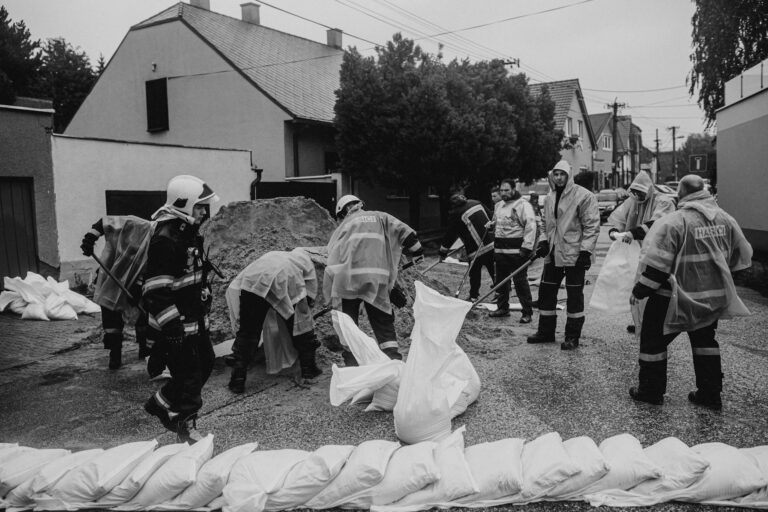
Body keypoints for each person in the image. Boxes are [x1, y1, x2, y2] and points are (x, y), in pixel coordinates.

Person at [628, 175, 752, 409]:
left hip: (673, 297)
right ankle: (710, 394)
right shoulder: (725, 219)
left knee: (653, 342)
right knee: (705, 342)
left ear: (682, 194)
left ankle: (651, 391)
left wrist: (640, 290)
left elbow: (658, 266)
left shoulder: (675, 222)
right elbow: (741, 257)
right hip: (710, 298)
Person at [142, 175, 218, 443]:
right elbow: (155, 290)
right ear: (184, 204)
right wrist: (172, 327)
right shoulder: (166, 238)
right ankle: (187, 427)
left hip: (195, 319)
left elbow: (189, 275)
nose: (203, 211)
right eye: (199, 206)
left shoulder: (187, 232)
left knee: (206, 363)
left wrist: (203, 290)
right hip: (178, 325)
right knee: (189, 376)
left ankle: (159, 404)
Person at [325, 195, 424, 365]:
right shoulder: (381, 217)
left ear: (342, 213)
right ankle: (393, 360)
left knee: (349, 324)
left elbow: (332, 255)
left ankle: (352, 364)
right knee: (382, 320)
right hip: (376, 280)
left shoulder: (344, 226)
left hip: (348, 281)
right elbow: (406, 234)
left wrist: (331, 291)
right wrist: (418, 251)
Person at [225, 249, 322, 393]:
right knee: (300, 325)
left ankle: (237, 379)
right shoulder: (305, 264)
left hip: (252, 282)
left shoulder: (275, 255)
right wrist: (306, 308)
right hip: (282, 277)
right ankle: (309, 368)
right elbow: (307, 295)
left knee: (248, 332)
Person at [527, 160, 600, 350]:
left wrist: (585, 251)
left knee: (574, 295)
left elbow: (591, 226)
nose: (558, 178)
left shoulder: (584, 196)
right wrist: (543, 241)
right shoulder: (550, 197)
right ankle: (546, 332)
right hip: (553, 252)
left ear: (568, 176)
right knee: (546, 292)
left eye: (562, 174)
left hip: (575, 254)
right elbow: (545, 223)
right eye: (556, 174)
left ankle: (572, 336)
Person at [607, 171, 677, 333]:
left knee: (652, 288)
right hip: (638, 252)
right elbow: (619, 218)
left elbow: (658, 224)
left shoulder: (663, 202)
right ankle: (640, 322)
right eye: (635, 191)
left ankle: (652, 322)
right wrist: (614, 231)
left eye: (640, 192)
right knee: (638, 286)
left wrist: (632, 233)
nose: (637, 195)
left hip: (658, 254)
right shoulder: (633, 201)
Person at [80, 216, 153, 370]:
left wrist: (138, 289)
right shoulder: (130, 224)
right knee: (110, 313)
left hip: (136, 277)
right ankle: (115, 353)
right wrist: (90, 238)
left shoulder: (153, 241)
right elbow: (102, 222)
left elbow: (149, 267)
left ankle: (144, 348)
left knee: (141, 312)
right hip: (111, 273)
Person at [485, 179, 542, 323]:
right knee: (501, 282)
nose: (503, 193)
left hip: (517, 252)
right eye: (501, 191)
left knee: (520, 283)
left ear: (513, 189)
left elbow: (531, 226)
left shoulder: (522, 205)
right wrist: (491, 226)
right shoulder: (499, 206)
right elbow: (497, 222)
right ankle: (503, 308)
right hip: (500, 251)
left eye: (506, 190)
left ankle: (527, 312)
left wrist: (527, 248)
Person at [438, 186, 494, 301]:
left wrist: (442, 252)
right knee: (493, 269)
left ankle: (474, 296)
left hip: (475, 248)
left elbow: (450, 234)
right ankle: (501, 292)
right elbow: (491, 217)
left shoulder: (455, 213)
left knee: (474, 272)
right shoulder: (476, 203)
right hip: (491, 242)